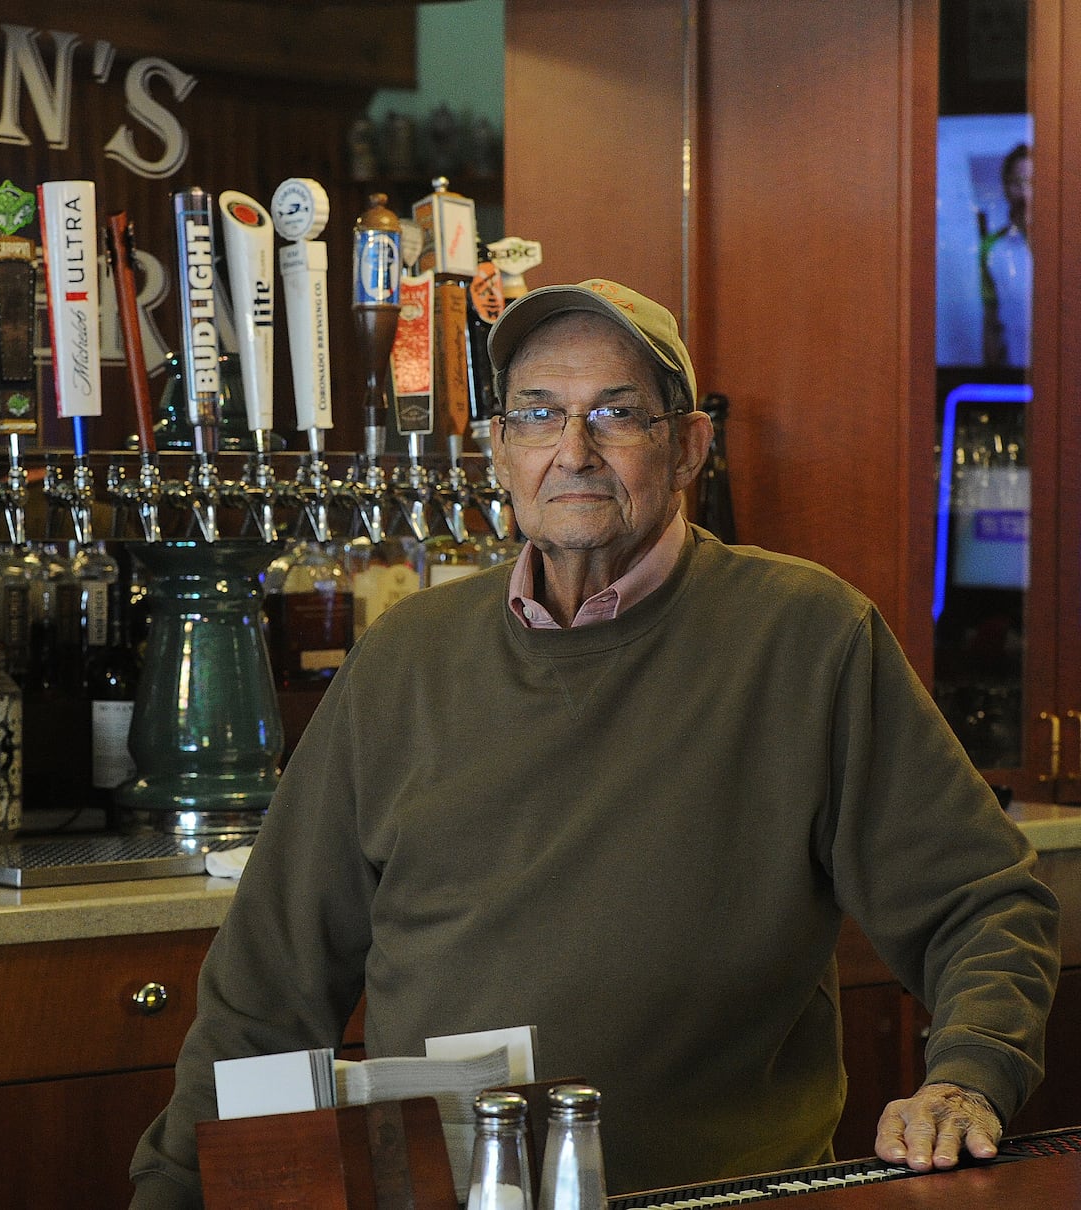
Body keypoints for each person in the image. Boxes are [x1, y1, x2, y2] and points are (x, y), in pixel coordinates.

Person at [128, 278, 1060, 1207]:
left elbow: (981, 903)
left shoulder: (806, 635)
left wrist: (968, 1075)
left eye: (616, 415)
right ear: (499, 450)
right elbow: (268, 988)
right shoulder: (405, 657)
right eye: (538, 416)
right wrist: (170, 1192)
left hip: (720, 1200)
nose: (572, 451)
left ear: (689, 445)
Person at [980, 142, 1032, 368]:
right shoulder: (992, 248)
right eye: (1016, 183)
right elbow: (990, 319)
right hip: (1014, 372)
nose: (1024, 193)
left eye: (1032, 182)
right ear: (1005, 187)